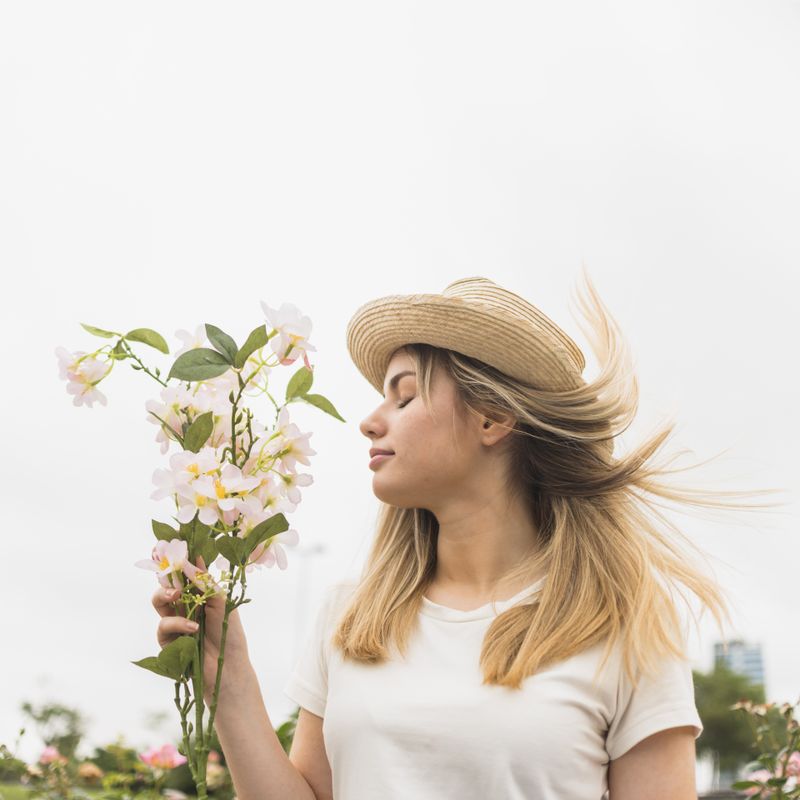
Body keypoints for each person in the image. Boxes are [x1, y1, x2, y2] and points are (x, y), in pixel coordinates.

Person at [152, 273, 772, 800]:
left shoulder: (621, 621)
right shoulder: (350, 615)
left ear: (494, 417)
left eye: (404, 396)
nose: (369, 421)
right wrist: (229, 679)